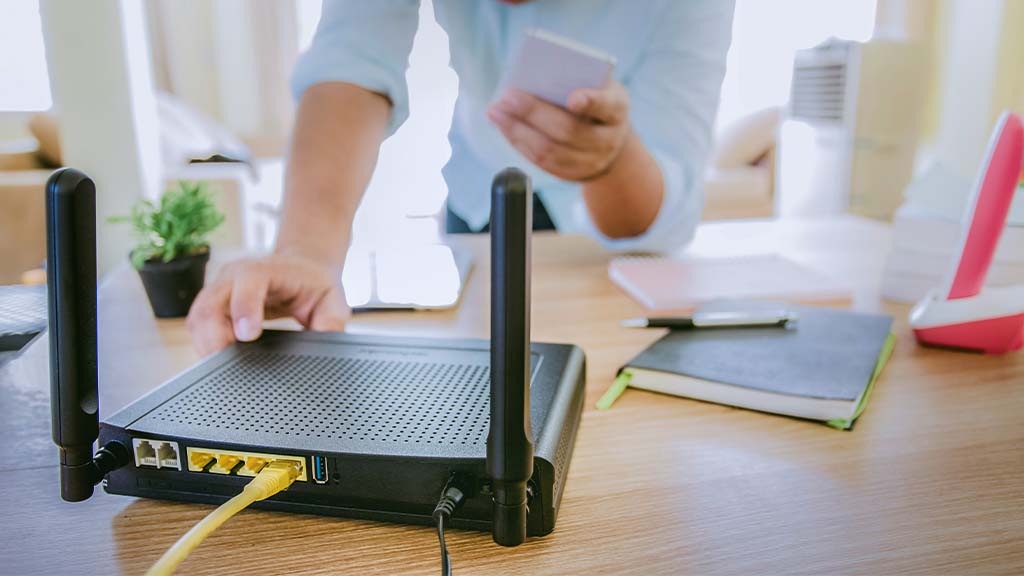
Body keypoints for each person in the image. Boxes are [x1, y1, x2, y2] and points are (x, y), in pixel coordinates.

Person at [186, 0, 734, 355]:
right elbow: (350, 61)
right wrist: (306, 252)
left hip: (611, 236)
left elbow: (662, 198)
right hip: (478, 193)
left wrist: (609, 160)